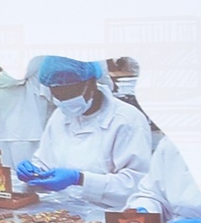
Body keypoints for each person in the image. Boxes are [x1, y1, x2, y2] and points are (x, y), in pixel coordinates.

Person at [14, 58, 152, 207]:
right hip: (62, 207)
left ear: (91, 83)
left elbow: (135, 185)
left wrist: (80, 179)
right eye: (59, 98)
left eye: (70, 95)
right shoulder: (60, 116)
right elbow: (45, 161)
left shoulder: (127, 120)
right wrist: (35, 171)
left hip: (109, 211)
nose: (66, 103)